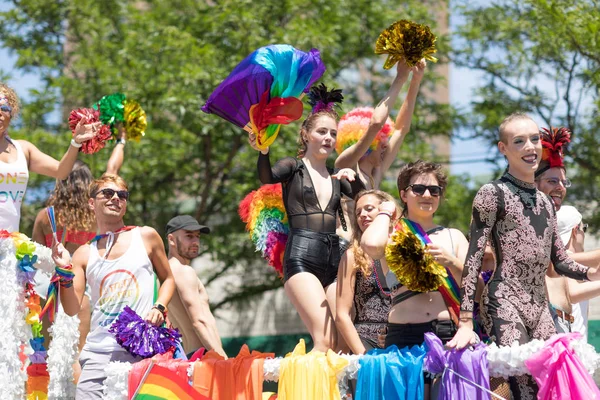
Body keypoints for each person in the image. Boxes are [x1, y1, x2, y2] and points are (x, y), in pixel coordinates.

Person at [449, 113, 600, 400]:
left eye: (534, 139)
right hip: (504, 302)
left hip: (541, 307)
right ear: (503, 148)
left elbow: (561, 261)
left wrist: (589, 273)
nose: (530, 147)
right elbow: (472, 259)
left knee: (552, 388)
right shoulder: (492, 193)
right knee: (524, 390)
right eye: (519, 141)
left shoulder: (545, 201)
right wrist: (465, 321)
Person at [249, 84, 362, 351]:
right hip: (302, 256)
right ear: (306, 134)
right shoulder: (293, 167)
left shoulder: (337, 175)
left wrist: (354, 181)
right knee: (324, 339)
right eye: (321, 131)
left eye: (333, 134)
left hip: (335, 260)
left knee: (344, 341)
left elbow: (364, 198)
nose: (328, 138)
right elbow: (267, 178)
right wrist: (263, 151)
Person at [51, 174, 175, 399]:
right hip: (98, 353)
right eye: (107, 193)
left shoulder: (146, 236)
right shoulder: (83, 253)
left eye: (122, 195)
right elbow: (70, 308)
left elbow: (168, 279)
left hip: (142, 352)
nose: (115, 198)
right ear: (92, 203)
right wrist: (63, 271)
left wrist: (159, 307)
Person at [360, 161, 469, 399]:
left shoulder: (454, 236)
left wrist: (452, 262)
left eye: (434, 190)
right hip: (404, 336)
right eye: (418, 189)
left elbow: (476, 290)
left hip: (447, 334)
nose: (427, 194)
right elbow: (370, 245)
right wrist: (386, 211)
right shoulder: (393, 233)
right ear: (404, 194)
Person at [30, 130, 128, 382]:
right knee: (80, 351)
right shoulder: (94, 215)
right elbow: (113, 168)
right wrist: (121, 141)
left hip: (48, 291)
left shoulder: (46, 216)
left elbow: (37, 256)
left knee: (50, 353)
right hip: (82, 289)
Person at [333, 61, 425, 250]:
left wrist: (415, 80)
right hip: (343, 248)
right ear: (367, 141)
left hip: (366, 249)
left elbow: (401, 129)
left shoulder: (376, 173)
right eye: (381, 140)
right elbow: (375, 124)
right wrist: (400, 76)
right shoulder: (345, 163)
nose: (385, 144)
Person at [0, 82, 99, 232]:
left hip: (9, 242)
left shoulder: (24, 149)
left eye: (4, 108)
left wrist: (76, 142)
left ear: (11, 114)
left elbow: (61, 171)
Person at [335, 190, 398, 355]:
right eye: (358, 212)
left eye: (369, 209)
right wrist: (363, 355)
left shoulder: (404, 247)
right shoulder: (352, 256)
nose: (363, 214)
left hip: (403, 338)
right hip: (366, 343)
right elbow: (342, 314)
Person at [165, 215, 226, 358]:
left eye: (197, 236)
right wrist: (222, 358)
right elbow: (199, 321)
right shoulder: (184, 271)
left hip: (189, 356)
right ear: (171, 239)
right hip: (206, 355)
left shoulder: (164, 275)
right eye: (189, 236)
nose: (196, 242)